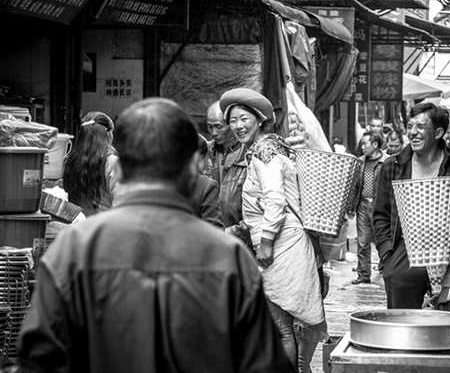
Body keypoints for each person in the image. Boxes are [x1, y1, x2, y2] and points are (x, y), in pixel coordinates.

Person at [12, 98, 293, 373]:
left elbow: (40, 358)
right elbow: (264, 363)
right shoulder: (230, 258)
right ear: (192, 171)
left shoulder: (74, 249)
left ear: (119, 171)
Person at [220, 88, 326, 372]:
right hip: (285, 242)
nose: (238, 126)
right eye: (233, 121)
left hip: (282, 244)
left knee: (281, 327)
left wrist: (266, 242)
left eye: (244, 118)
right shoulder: (267, 148)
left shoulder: (263, 152)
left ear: (258, 119)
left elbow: (275, 200)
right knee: (284, 325)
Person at [372, 102, 450, 309]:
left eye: (420, 127)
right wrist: (387, 255)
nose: (413, 133)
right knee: (401, 318)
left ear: (438, 132)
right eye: (410, 127)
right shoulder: (393, 166)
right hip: (405, 251)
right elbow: (380, 214)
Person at [206, 100, 250, 247]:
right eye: (209, 127)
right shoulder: (205, 153)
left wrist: (228, 233)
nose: (213, 133)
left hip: (241, 245)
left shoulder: (249, 157)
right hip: (209, 241)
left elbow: (257, 215)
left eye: (218, 127)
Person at [62, 111, 121, 217]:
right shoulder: (113, 162)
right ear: (107, 134)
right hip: (103, 225)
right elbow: (119, 203)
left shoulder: (70, 161)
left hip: (78, 223)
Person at [351, 131, 389, 285]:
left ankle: (386, 270)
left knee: (382, 240)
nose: (362, 146)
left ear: (375, 145)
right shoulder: (360, 162)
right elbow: (354, 186)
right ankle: (363, 274)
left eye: (365, 143)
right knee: (362, 242)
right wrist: (350, 205)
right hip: (363, 205)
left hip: (379, 206)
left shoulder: (387, 162)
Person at [189, 133, 224, 228]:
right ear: (199, 157)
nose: (209, 163)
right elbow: (215, 231)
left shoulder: (162, 180)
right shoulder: (206, 185)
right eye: (208, 158)